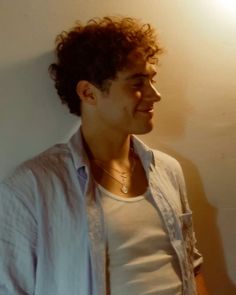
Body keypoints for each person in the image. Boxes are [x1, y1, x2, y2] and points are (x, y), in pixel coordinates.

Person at [0, 16, 208, 295]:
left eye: (152, 80)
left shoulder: (168, 170)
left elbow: (192, 266)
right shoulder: (32, 186)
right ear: (88, 93)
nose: (155, 95)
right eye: (137, 83)